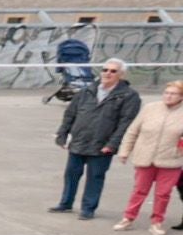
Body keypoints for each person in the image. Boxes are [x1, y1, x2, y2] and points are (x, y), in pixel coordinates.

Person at [52, 56, 141, 220]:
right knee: (71, 174)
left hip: (102, 145)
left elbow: (125, 123)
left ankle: (88, 208)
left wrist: (112, 144)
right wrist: (62, 133)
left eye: (113, 71)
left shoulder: (129, 96)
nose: (107, 73)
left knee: (95, 177)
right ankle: (66, 203)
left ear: (121, 75)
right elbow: (70, 113)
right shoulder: (87, 91)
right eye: (105, 70)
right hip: (79, 140)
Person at [112, 77, 183, 233]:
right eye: (166, 92)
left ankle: (157, 222)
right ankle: (128, 218)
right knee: (139, 190)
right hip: (145, 157)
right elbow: (133, 131)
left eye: (174, 94)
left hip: (170, 160)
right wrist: (124, 151)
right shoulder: (150, 108)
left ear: (181, 97)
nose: (168, 96)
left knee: (163, 194)